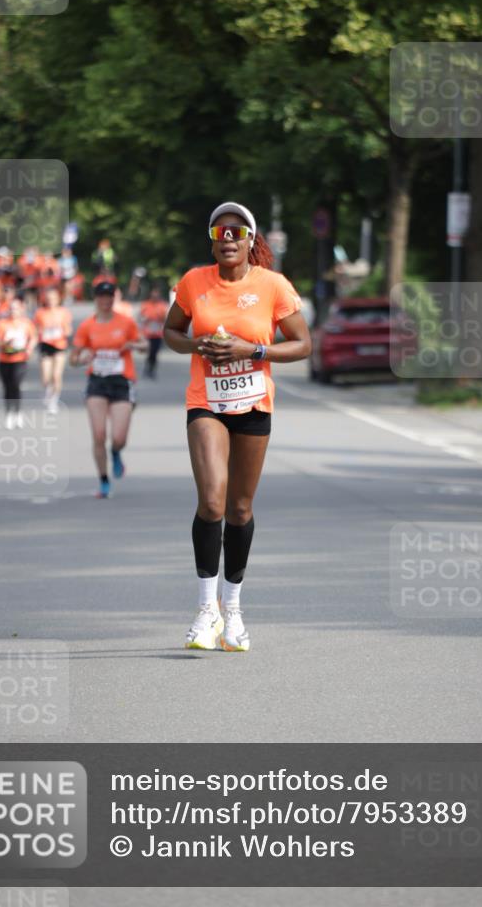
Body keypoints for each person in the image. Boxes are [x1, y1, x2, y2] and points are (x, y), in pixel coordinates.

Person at [164, 201, 311, 652]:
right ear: (212, 240)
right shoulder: (193, 283)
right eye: (219, 232)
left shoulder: (273, 286)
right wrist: (196, 343)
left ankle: (234, 611)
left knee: (239, 509)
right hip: (206, 401)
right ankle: (206, 610)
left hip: (253, 403)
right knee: (211, 501)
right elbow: (171, 333)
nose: (227, 239)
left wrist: (254, 351)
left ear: (250, 240)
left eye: (236, 232)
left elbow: (303, 344)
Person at [70, 279, 144, 498]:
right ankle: (103, 480)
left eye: (109, 296)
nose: (105, 300)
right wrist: (82, 357)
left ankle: (116, 452)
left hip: (122, 382)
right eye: (101, 296)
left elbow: (144, 345)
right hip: (97, 382)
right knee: (99, 434)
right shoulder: (87, 326)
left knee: (119, 437)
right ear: (95, 299)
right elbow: (73, 358)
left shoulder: (126, 323)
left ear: (114, 298)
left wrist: (133, 345)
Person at [0, 294, 38, 429]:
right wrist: (5, 342)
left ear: (21, 309)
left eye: (16, 308)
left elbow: (34, 338)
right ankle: (9, 414)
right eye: (11, 308)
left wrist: (30, 348)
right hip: (4, 359)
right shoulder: (2, 324)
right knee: (7, 388)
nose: (13, 311)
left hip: (20, 359)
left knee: (16, 385)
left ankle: (18, 413)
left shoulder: (27, 323)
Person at [33, 287, 73, 413]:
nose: (51, 301)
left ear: (58, 299)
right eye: (48, 298)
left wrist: (63, 331)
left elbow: (68, 330)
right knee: (46, 376)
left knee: (56, 375)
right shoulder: (40, 312)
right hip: (45, 344)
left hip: (60, 345)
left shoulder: (63, 312)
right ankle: (48, 390)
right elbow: (35, 329)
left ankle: (54, 400)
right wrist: (40, 333)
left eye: (53, 298)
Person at [139, 287, 169, 379]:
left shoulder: (162, 305)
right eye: (153, 295)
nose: (155, 297)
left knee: (154, 353)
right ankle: (147, 368)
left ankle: (151, 369)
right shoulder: (145, 305)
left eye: (156, 296)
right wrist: (145, 318)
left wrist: (160, 318)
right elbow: (141, 317)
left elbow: (165, 319)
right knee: (149, 352)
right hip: (147, 333)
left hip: (157, 333)